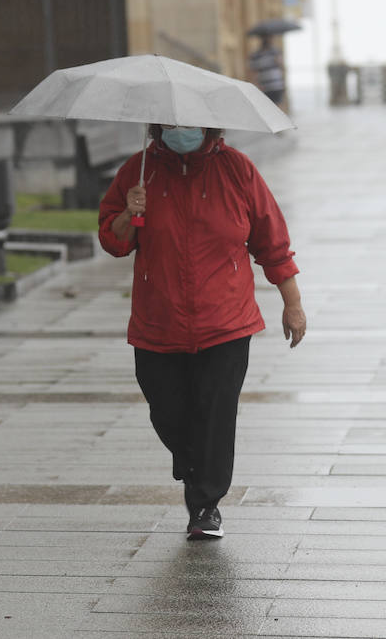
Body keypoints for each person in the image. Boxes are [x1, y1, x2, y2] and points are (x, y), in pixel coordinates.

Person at [99, 123, 305, 539]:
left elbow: (272, 241)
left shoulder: (237, 170)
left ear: (209, 125)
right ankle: (193, 460)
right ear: (158, 126)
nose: (181, 131)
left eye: (190, 124)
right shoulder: (139, 172)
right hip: (158, 319)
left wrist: (293, 303)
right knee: (167, 410)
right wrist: (127, 214)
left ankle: (205, 505)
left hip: (225, 321)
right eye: (172, 124)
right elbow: (114, 242)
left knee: (215, 412)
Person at [248, 35, 287, 105]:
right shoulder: (256, 55)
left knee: (277, 106)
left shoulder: (276, 52)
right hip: (265, 86)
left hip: (276, 85)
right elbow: (253, 71)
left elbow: (282, 67)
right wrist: (256, 84)